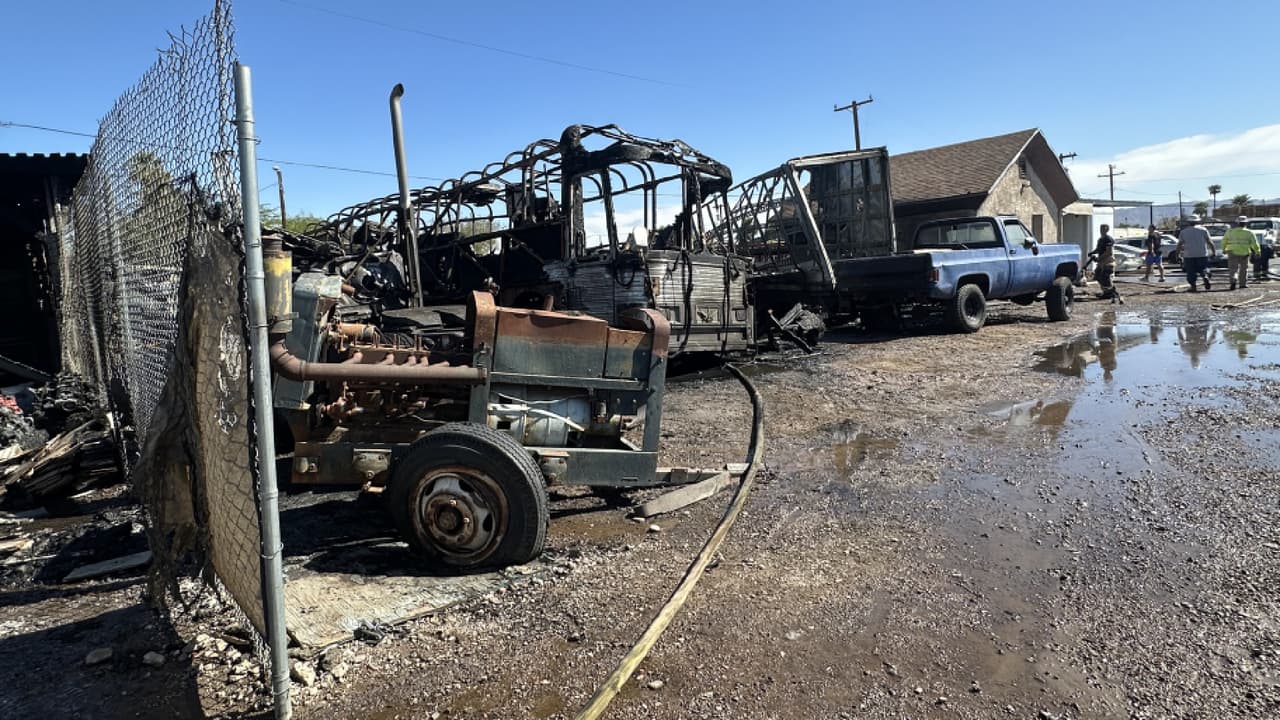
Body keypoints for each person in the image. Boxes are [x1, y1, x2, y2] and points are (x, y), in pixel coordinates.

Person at [1176, 215, 1217, 292]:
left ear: (1188, 222)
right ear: (1198, 221)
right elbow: (1210, 242)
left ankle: (1193, 286)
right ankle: (1205, 276)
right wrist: (1213, 252)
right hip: (1202, 254)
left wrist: (1177, 255)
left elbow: (1179, 244)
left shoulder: (1184, 232)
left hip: (1189, 255)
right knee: (1203, 268)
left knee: (1190, 272)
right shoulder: (1203, 230)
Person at [1222, 215, 1260, 290]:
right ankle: (1243, 284)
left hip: (1232, 251)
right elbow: (1255, 243)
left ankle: (1234, 279)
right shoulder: (1249, 232)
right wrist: (1257, 252)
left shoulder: (1230, 232)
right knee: (1243, 269)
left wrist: (1224, 249)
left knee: (1233, 268)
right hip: (1244, 252)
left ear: (1237, 223)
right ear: (1245, 223)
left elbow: (1224, 241)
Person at [1089, 224, 1122, 303]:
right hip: (1101, 262)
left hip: (1108, 261)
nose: (1102, 230)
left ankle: (1111, 292)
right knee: (1097, 275)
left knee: (1105, 277)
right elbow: (1098, 249)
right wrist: (1092, 252)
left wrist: (1099, 258)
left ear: (1107, 230)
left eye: (1104, 229)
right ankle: (1106, 292)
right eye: (1101, 228)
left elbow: (1108, 252)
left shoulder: (1108, 239)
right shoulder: (1100, 239)